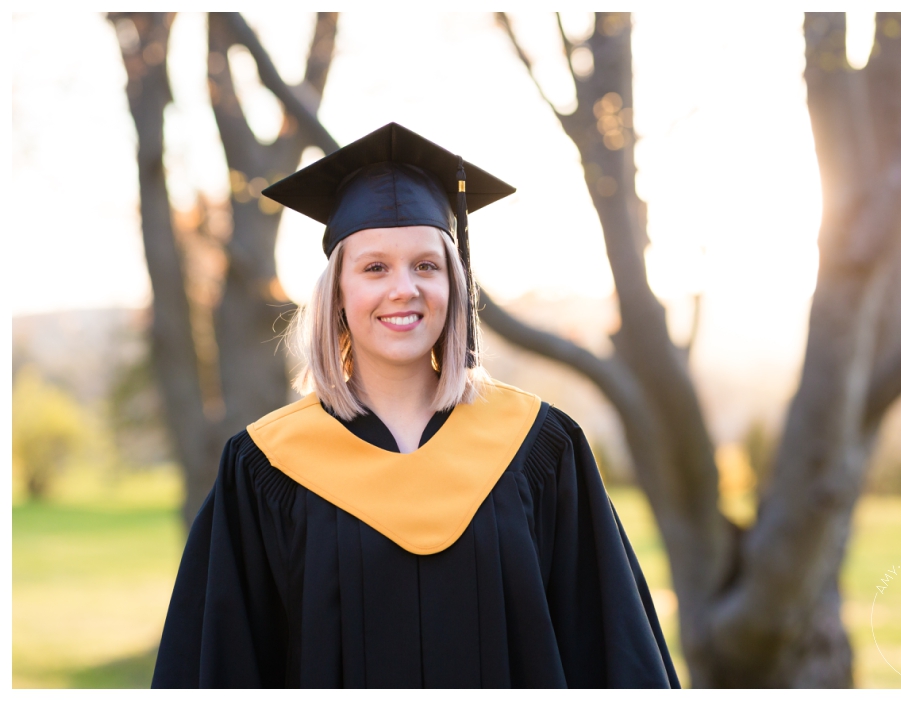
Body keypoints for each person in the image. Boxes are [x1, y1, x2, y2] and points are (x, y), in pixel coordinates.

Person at [151, 123, 680, 689]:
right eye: (374, 267)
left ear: (455, 284)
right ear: (338, 293)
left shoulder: (538, 447)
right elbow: (223, 663)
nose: (403, 288)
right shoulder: (266, 467)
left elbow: (608, 647)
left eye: (426, 265)